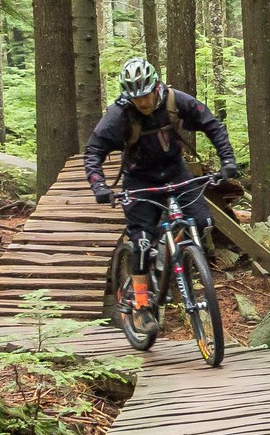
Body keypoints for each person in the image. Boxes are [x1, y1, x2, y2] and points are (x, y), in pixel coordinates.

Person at [83, 58, 240, 327]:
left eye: (146, 96)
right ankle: (142, 304)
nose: (142, 103)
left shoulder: (176, 101)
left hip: (176, 172)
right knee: (142, 242)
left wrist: (227, 161)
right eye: (136, 99)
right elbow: (93, 151)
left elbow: (212, 125)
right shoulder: (118, 114)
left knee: (203, 222)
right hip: (139, 179)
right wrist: (99, 186)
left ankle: (173, 256)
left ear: (155, 87)